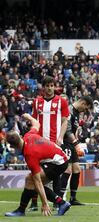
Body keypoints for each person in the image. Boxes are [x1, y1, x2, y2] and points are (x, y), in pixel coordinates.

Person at [5, 113, 71, 217]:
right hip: (59, 157)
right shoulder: (28, 135)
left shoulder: (29, 154)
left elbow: (38, 181)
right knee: (30, 180)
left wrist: (45, 204)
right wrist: (29, 117)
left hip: (59, 162)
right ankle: (22, 210)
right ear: (20, 136)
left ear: (13, 146)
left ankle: (61, 203)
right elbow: (36, 124)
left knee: (32, 180)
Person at [29, 76, 69, 211]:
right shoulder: (36, 102)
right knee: (35, 173)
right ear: (43, 87)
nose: (49, 88)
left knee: (56, 174)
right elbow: (34, 121)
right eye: (47, 85)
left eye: (52, 85)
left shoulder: (61, 101)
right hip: (39, 144)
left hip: (54, 143)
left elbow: (65, 121)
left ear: (54, 87)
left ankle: (57, 203)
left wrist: (60, 138)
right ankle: (34, 203)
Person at [59, 96, 93, 205]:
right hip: (65, 142)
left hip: (72, 144)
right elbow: (67, 131)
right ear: (83, 103)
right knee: (67, 170)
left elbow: (74, 130)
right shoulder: (69, 111)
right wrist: (77, 144)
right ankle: (59, 199)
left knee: (77, 169)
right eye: (86, 108)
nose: (85, 110)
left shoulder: (77, 113)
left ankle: (73, 198)